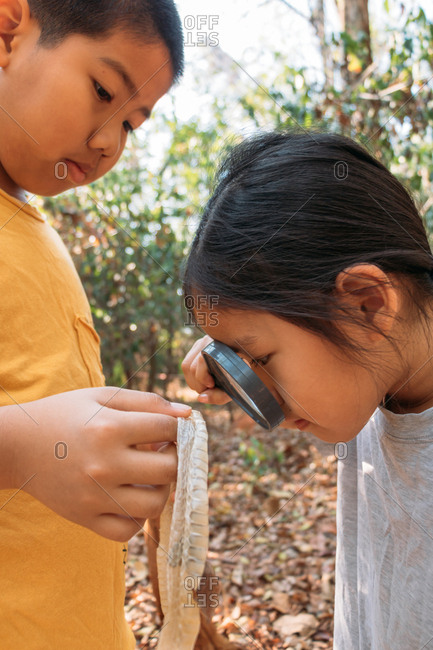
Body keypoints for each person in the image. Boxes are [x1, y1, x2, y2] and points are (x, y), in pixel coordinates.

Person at [181, 131, 433, 648]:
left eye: (262, 360)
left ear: (365, 303)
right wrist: (234, 352)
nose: (264, 404)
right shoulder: (372, 377)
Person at [0, 1, 190, 648]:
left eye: (132, 124)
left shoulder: (40, 237)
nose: (110, 141)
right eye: (103, 91)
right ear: (8, 31)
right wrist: (24, 449)